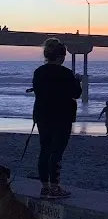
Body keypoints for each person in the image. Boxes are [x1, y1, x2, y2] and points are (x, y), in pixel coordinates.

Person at [31, 38, 82, 199]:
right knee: (57, 152)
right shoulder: (66, 73)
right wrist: (77, 81)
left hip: (42, 116)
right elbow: (76, 94)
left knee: (44, 150)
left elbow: (39, 92)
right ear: (60, 56)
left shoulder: (39, 72)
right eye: (64, 55)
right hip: (62, 117)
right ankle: (55, 187)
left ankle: (45, 187)